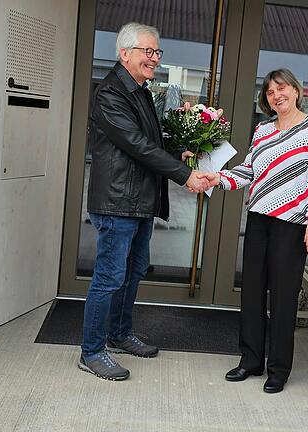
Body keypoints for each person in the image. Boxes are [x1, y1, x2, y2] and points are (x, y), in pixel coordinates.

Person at [80, 22, 209, 381]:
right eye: (148, 52)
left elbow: (151, 140)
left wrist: (177, 152)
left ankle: (119, 335)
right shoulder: (110, 93)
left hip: (139, 202)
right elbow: (136, 144)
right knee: (108, 278)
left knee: (133, 272)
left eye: (157, 52)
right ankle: (91, 351)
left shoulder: (141, 91)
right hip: (117, 203)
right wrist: (184, 176)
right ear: (124, 53)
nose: (154, 58)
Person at [202, 68, 308, 393]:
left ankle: (278, 369)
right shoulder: (262, 130)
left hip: (293, 224)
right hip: (259, 219)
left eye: (282, 87)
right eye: (271, 92)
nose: (277, 95)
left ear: (296, 90)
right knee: (253, 292)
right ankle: (250, 360)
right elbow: (249, 170)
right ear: (267, 99)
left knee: (284, 297)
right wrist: (219, 178)